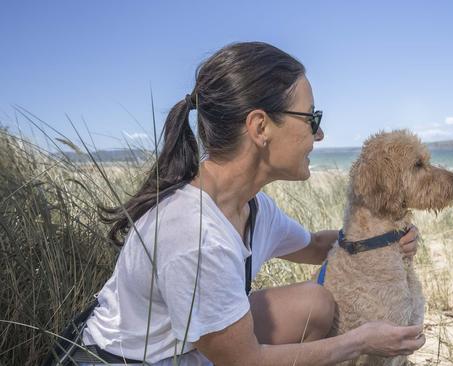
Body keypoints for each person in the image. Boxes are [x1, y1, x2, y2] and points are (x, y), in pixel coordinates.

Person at [80, 41, 425, 365]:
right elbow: (246, 361)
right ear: (260, 127)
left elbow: (318, 246)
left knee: (315, 304)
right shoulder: (194, 235)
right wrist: (360, 341)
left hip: (183, 346)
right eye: (311, 118)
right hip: (132, 360)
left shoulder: (252, 208)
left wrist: (385, 241)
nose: (319, 134)